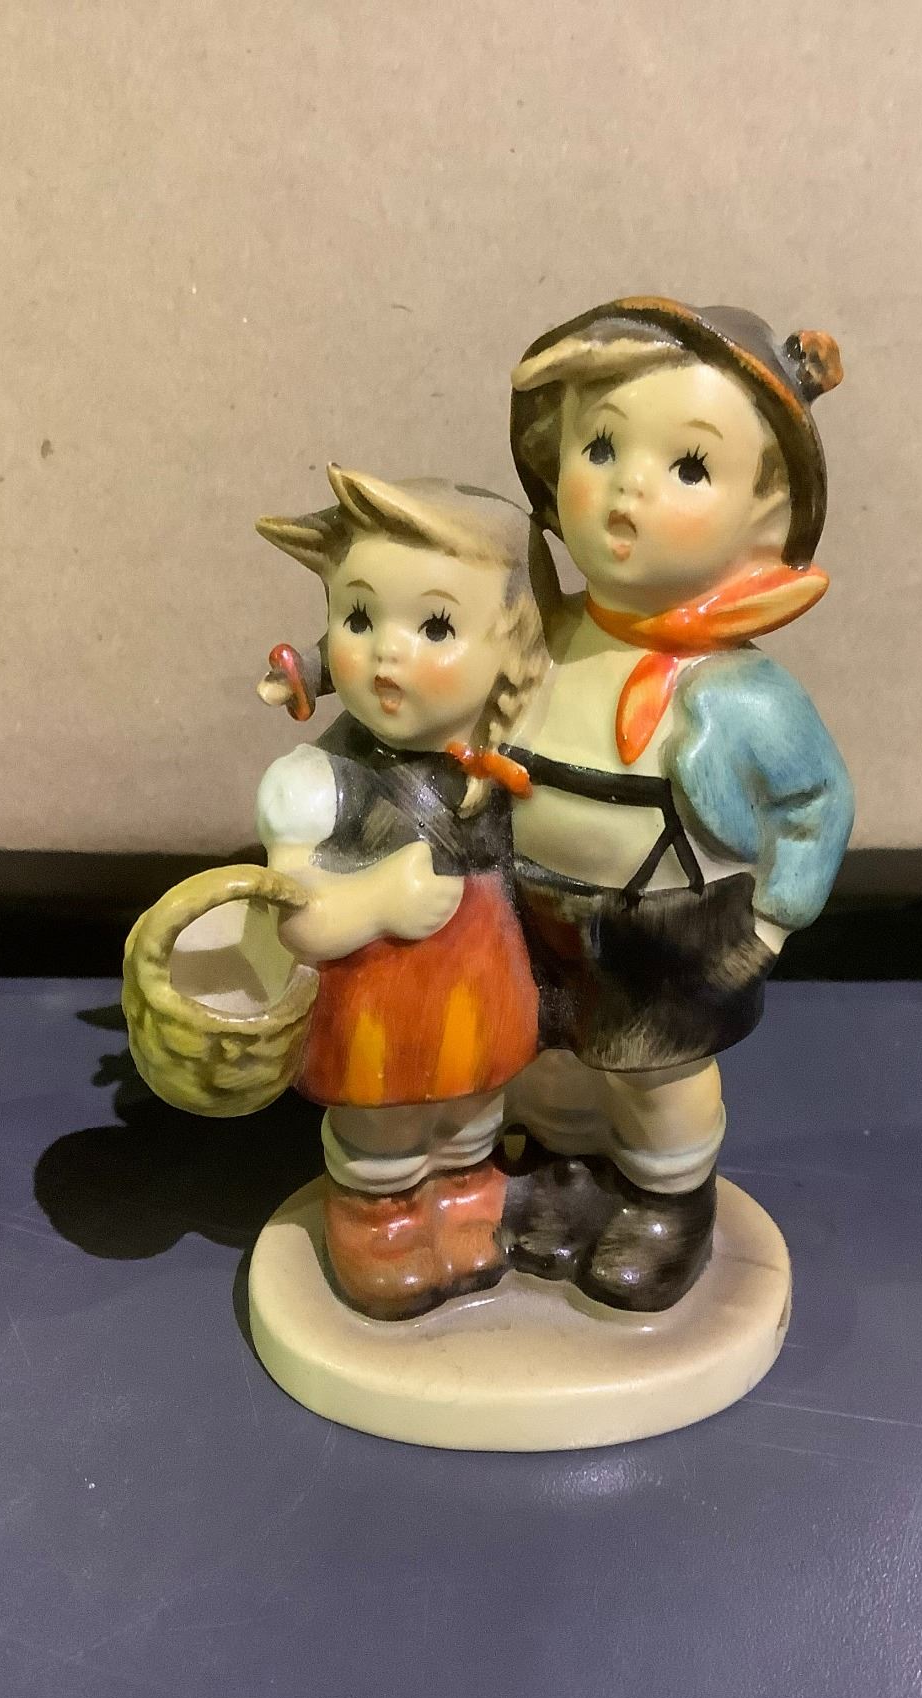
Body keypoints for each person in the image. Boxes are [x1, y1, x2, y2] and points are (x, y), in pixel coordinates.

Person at [501, 297, 855, 1310]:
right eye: (600, 447)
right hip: (530, 901)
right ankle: (566, 1170)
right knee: (548, 1058)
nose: (629, 489)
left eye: (690, 466)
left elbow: (816, 804)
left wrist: (771, 925)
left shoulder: (742, 694)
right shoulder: (532, 634)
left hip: (670, 918)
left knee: (656, 1077)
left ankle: (667, 1200)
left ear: (766, 519)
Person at [254, 466, 554, 1318]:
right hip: (375, 1001)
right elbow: (295, 914)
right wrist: (374, 904)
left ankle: (465, 1203)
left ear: (512, 648)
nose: (388, 652)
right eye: (359, 618)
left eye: (435, 625)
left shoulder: (510, 767)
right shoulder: (316, 781)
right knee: (382, 1129)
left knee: (471, 1116)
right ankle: (380, 1227)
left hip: (481, 983)